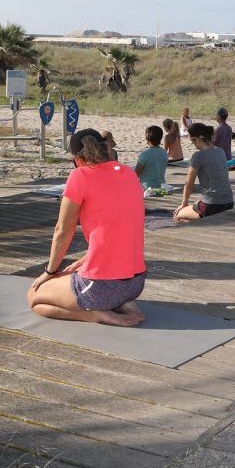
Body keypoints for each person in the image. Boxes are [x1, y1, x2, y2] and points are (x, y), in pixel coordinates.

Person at [27, 129, 146, 327]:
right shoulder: (128, 173)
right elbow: (119, 226)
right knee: (72, 272)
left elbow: (62, 231)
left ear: (76, 159)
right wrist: (86, 259)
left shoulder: (80, 176)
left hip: (102, 288)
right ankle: (124, 303)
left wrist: (49, 271)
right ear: (106, 149)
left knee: (34, 297)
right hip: (135, 284)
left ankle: (95, 315)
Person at [174, 123, 235, 222]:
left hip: (213, 204)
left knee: (177, 216)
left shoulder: (198, 156)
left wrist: (184, 203)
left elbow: (188, 183)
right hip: (229, 202)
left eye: (193, 142)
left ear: (197, 139)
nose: (194, 146)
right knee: (197, 203)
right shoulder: (220, 151)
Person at [134, 125, 168, 191]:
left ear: (147, 138)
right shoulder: (164, 152)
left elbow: (136, 174)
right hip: (162, 189)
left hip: (147, 189)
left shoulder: (145, 154)